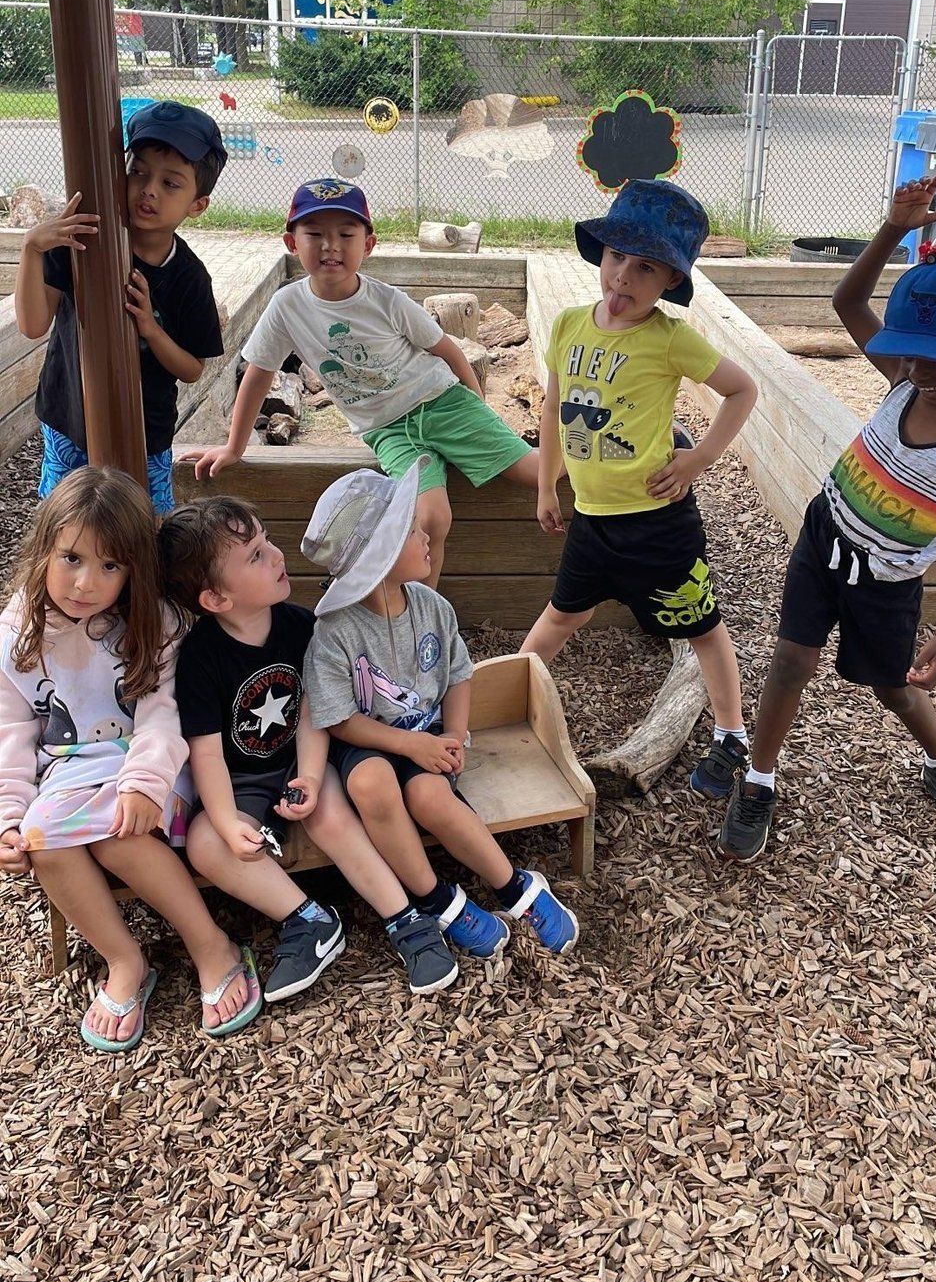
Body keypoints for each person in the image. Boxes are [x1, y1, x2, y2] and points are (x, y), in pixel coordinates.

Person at [719, 174, 936, 862]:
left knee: (893, 686)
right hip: (825, 535)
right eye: (912, 350)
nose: (923, 368)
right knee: (790, 660)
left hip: (886, 580)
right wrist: (894, 230)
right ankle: (758, 780)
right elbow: (847, 300)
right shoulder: (904, 378)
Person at [0, 467, 260, 1052]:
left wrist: (143, 782)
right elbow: (11, 730)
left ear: (134, 569)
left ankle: (210, 944)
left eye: (109, 566)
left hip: (151, 763)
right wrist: (8, 817)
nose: (84, 583)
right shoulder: (16, 631)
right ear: (44, 549)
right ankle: (124, 959)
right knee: (42, 838)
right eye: (71, 558)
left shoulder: (153, 623)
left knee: (118, 833)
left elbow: (164, 714)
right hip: (70, 771)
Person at [159, 496, 459, 998]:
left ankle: (407, 919)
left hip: (306, 758)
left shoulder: (303, 628)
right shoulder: (199, 658)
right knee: (207, 843)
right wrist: (228, 821)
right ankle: (309, 919)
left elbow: (315, 713)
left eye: (267, 540)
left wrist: (314, 778)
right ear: (216, 598)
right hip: (242, 778)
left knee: (331, 817)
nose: (277, 555)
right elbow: (206, 752)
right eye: (256, 555)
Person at [521, 178, 758, 798]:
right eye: (616, 256)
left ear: (670, 280)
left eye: (645, 267)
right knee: (560, 616)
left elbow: (742, 389)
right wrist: (546, 485)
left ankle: (731, 731)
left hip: (658, 524)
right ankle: (506, 702)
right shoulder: (569, 326)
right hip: (592, 520)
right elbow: (553, 410)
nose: (623, 276)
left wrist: (699, 458)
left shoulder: (669, 338)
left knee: (701, 627)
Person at [182, 178, 538, 583]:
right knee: (430, 518)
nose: (330, 246)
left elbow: (448, 350)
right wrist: (235, 446)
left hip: (441, 403)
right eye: (315, 234)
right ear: (291, 242)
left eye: (345, 235)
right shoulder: (287, 306)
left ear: (367, 245)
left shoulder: (386, 300)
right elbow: (259, 374)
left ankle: (593, 450)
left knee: (534, 473)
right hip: (388, 430)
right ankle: (424, 612)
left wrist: (476, 406)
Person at [302, 460, 580, 959]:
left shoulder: (433, 607)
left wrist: (454, 735)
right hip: (369, 741)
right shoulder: (334, 633)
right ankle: (436, 900)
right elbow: (339, 719)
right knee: (371, 784)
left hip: (427, 733)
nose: (426, 535)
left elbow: (457, 674)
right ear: (383, 556)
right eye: (413, 530)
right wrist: (408, 744)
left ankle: (515, 887)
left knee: (430, 797)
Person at [15, 101, 227, 514]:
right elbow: (32, 325)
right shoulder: (81, 243)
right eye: (138, 172)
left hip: (145, 434)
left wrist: (150, 328)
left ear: (197, 204)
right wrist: (31, 250)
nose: (149, 189)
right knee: (66, 523)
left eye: (170, 183)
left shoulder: (189, 277)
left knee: (142, 527)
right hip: (67, 419)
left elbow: (192, 369)